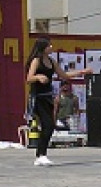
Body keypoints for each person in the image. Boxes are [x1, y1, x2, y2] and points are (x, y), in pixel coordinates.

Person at [25, 38, 91, 166]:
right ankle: (41, 155)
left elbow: (64, 75)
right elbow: (29, 78)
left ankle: (40, 155)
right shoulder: (36, 61)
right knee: (48, 124)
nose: (51, 46)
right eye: (49, 45)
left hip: (48, 97)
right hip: (38, 97)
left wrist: (82, 72)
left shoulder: (52, 61)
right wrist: (38, 77)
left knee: (48, 125)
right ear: (43, 48)